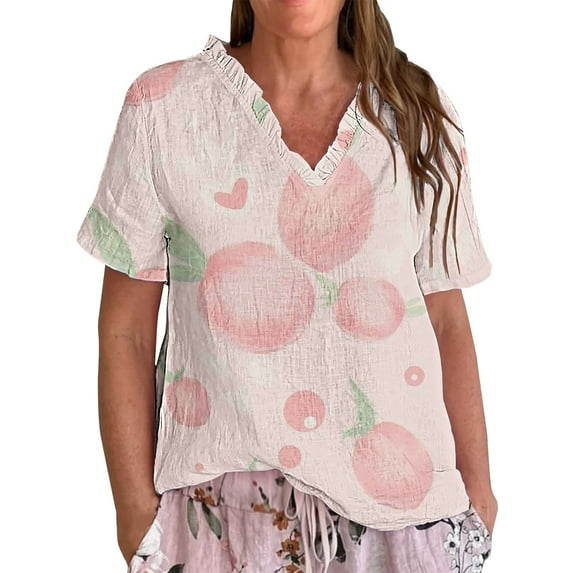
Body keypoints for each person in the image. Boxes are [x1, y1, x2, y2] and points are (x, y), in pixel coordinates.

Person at [76, 1, 499, 571]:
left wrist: (478, 491)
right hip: (218, 520)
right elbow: (124, 330)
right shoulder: (164, 109)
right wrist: (133, 511)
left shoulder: (416, 113)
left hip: (404, 518)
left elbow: (445, 317)